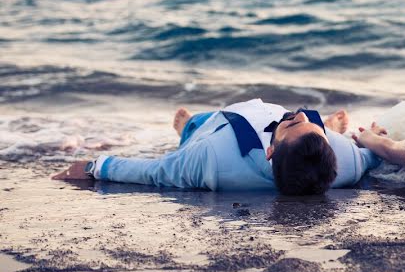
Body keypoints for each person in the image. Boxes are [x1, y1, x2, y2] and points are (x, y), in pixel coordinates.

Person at [52, 98, 379, 195]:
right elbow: (373, 154)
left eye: (293, 122)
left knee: (194, 128)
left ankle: (186, 127)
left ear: (270, 152)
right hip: (306, 142)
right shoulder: (345, 160)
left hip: (216, 128)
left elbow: (156, 171)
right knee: (305, 124)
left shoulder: (209, 159)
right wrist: (373, 138)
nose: (295, 115)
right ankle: (324, 124)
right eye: (305, 120)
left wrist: (97, 167)